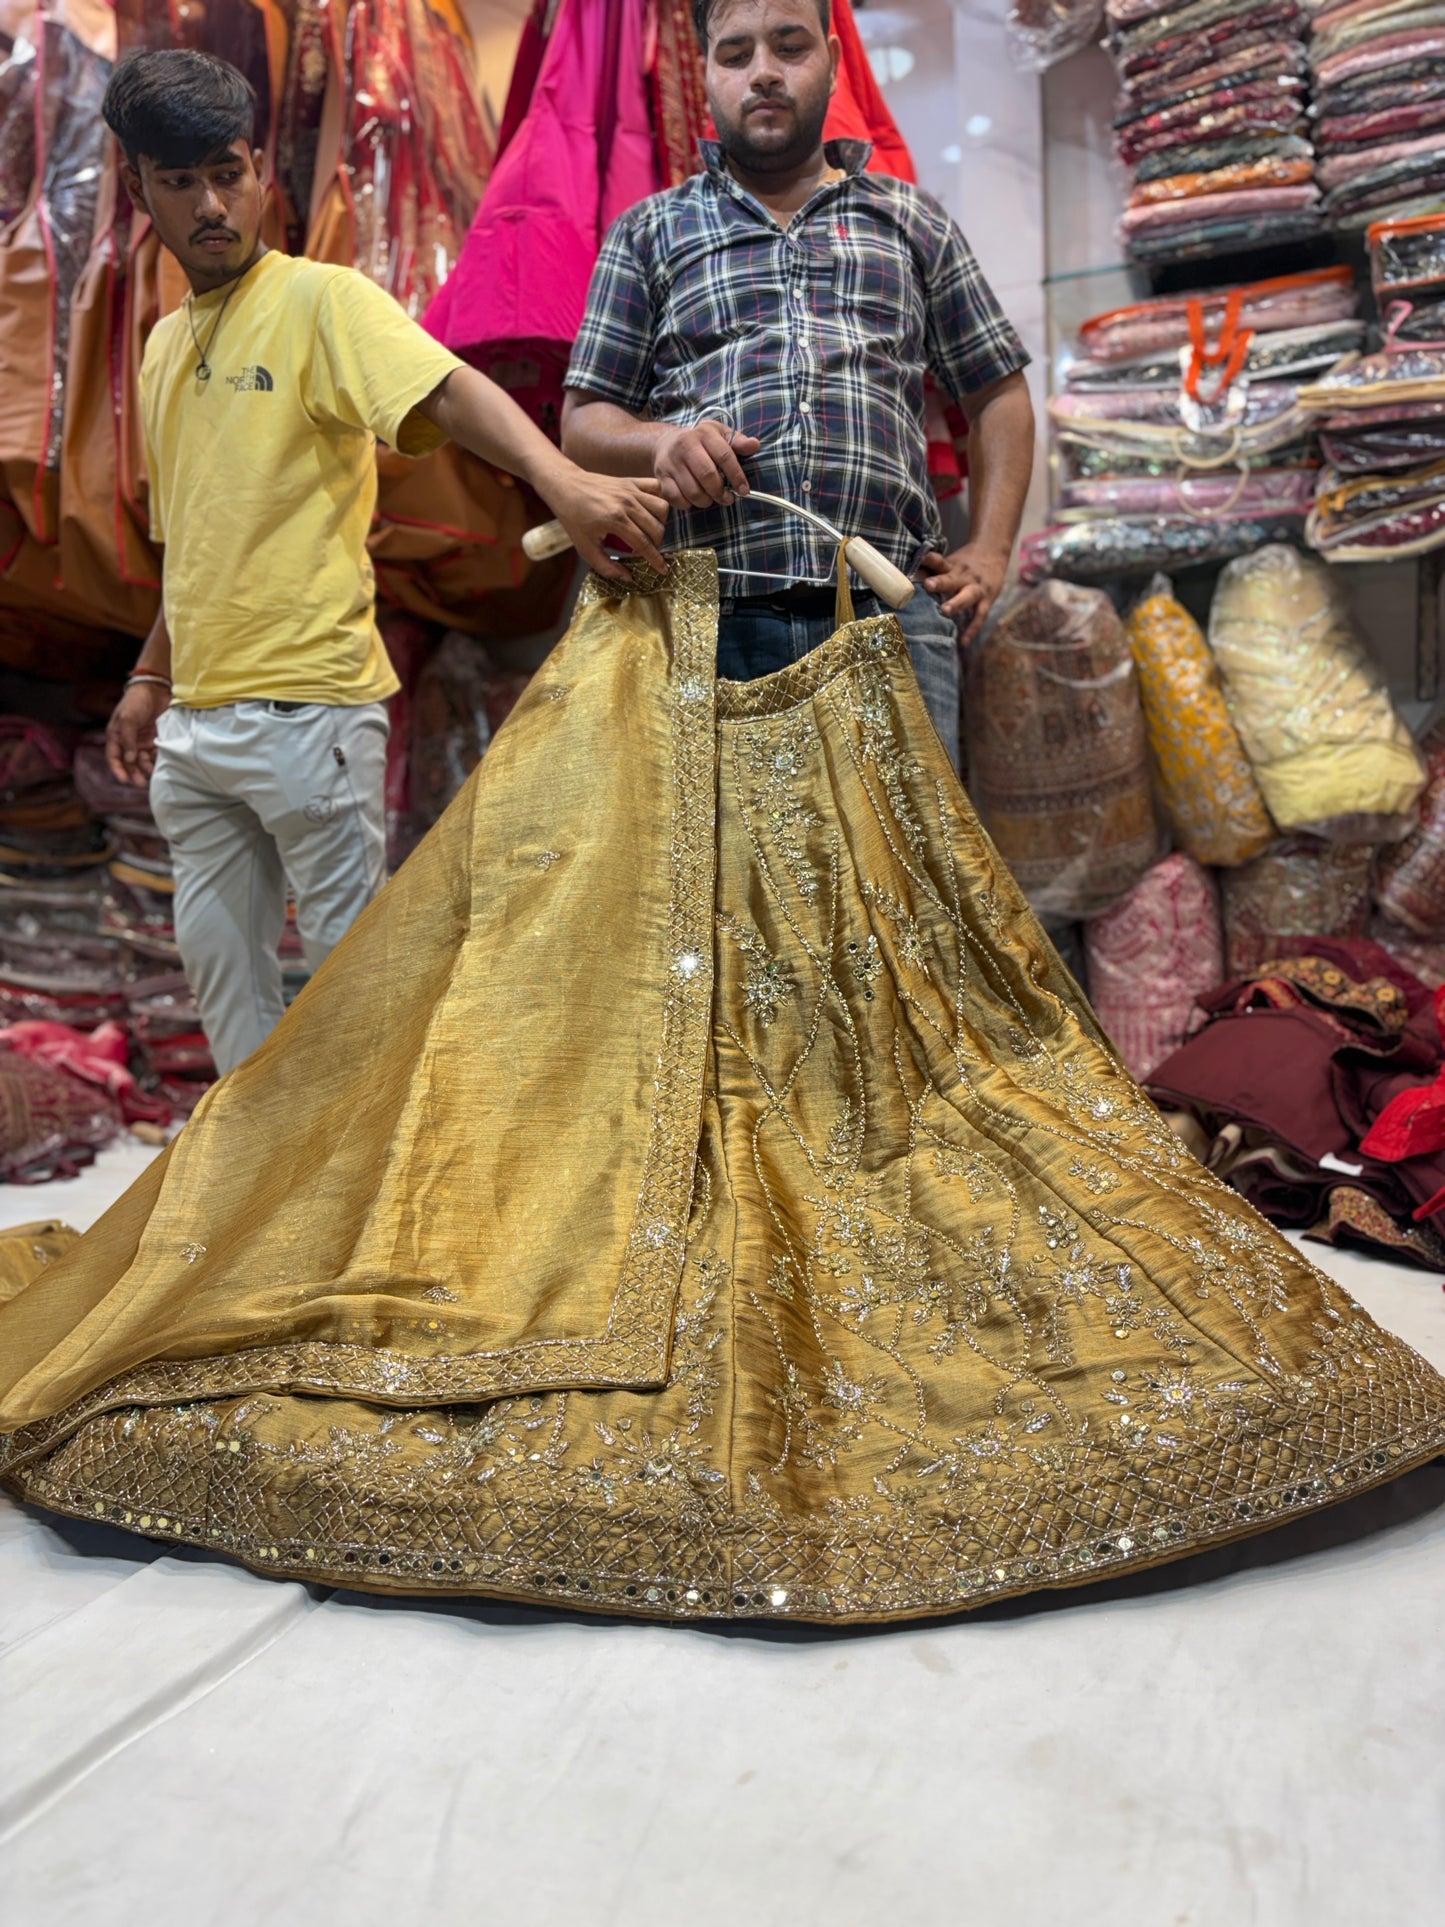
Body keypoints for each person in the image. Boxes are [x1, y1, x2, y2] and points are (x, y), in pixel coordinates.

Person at [1, 551, 1442, 1623]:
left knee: (915, 1022)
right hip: (671, 622)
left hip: (846, 610)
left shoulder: (892, 247)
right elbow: (580, 439)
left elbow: (990, 385)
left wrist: (981, 534)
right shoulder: (656, 266)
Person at [102, 49, 669, 1076]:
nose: (211, 204)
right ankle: (258, 1219)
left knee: (355, 1018)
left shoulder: (324, 301)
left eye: (226, 173)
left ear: (264, 169)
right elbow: (195, 538)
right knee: (230, 1015)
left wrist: (565, 484)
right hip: (196, 729)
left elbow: (451, 389)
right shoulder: (159, 348)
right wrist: (150, 675)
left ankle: (371, 1225)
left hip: (310, 715)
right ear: (141, 190)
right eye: (179, 183)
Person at [560, 0, 1036, 761]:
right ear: (706, 74)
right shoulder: (649, 231)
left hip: (892, 612)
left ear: (835, 60)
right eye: (735, 54)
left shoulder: (912, 221)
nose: (763, 74)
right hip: (707, 618)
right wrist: (663, 444)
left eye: (789, 47)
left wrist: (990, 548)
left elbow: (997, 390)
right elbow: (583, 420)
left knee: (904, 876)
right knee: (724, 880)